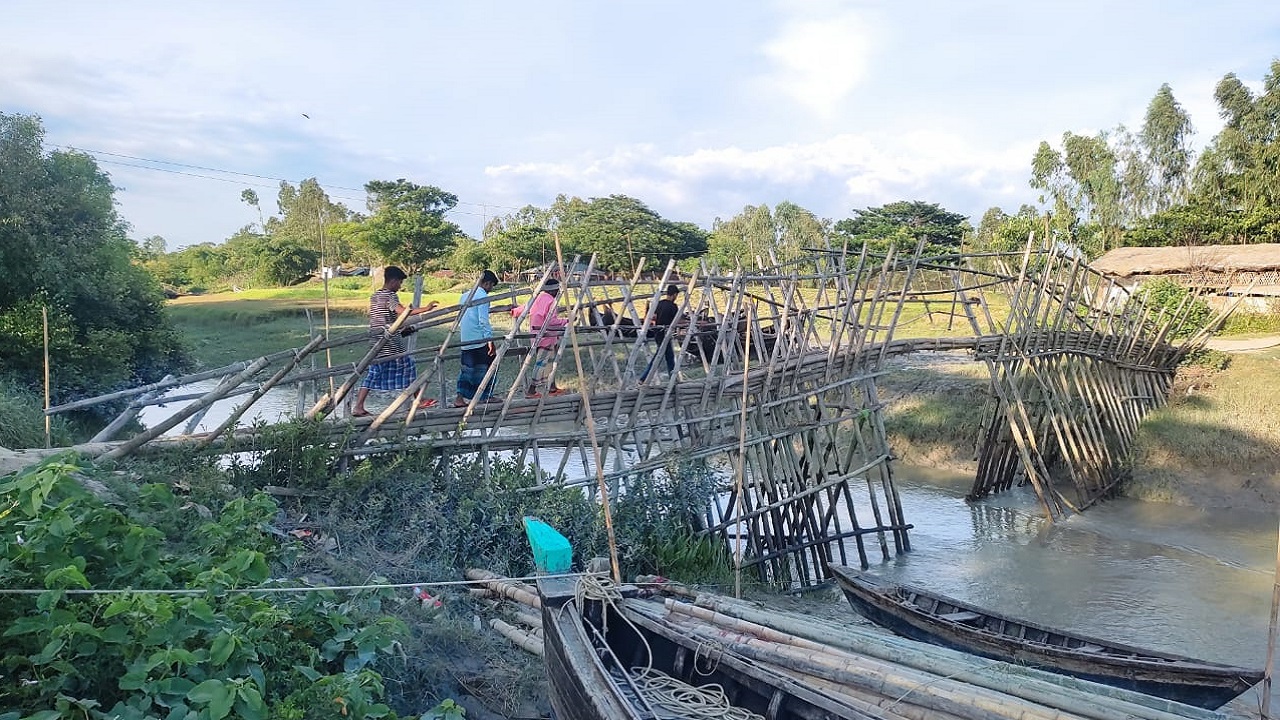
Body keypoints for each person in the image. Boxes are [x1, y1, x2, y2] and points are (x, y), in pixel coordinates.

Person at [352, 266, 441, 417]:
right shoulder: (390, 296)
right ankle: (418, 399)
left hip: (376, 340)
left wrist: (403, 330)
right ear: (393, 281)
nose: (400, 286)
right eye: (399, 283)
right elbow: (402, 312)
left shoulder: (375, 296)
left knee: (374, 373)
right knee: (408, 366)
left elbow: (386, 319)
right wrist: (426, 309)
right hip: (389, 343)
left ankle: (359, 406)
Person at [454, 269, 505, 407]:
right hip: (479, 338)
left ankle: (460, 397)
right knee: (489, 367)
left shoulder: (465, 295)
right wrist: (489, 340)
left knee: (467, 369)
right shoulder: (483, 296)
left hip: (466, 338)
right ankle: (485, 395)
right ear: (487, 283)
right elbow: (483, 320)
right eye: (491, 286)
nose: (490, 289)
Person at [526, 277, 568, 398]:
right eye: (557, 290)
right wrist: (565, 321)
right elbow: (551, 321)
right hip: (546, 336)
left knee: (550, 362)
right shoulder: (551, 301)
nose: (558, 292)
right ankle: (531, 390)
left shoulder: (538, 298)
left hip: (538, 335)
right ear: (553, 290)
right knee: (542, 363)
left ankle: (552, 387)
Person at [641, 284, 682, 381]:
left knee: (669, 356)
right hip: (666, 333)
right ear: (674, 294)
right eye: (676, 295)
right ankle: (643, 378)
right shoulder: (673, 306)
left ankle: (673, 379)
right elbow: (675, 322)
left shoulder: (658, 304)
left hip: (657, 333)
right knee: (659, 357)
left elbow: (653, 317)